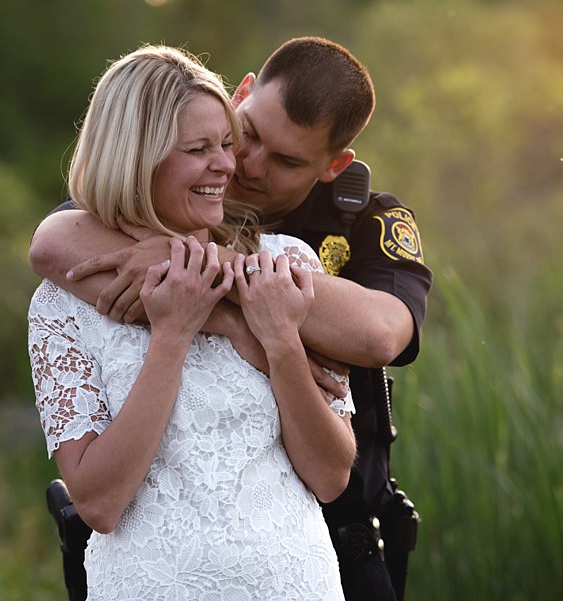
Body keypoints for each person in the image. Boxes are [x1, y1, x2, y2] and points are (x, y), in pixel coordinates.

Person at [30, 38, 433, 601]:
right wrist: (227, 318)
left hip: (332, 535)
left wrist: (214, 270)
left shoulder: (360, 221)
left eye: (288, 160)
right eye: (246, 134)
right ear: (240, 94)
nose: (243, 164)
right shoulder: (155, 191)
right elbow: (52, 244)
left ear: (332, 166)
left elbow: (379, 333)